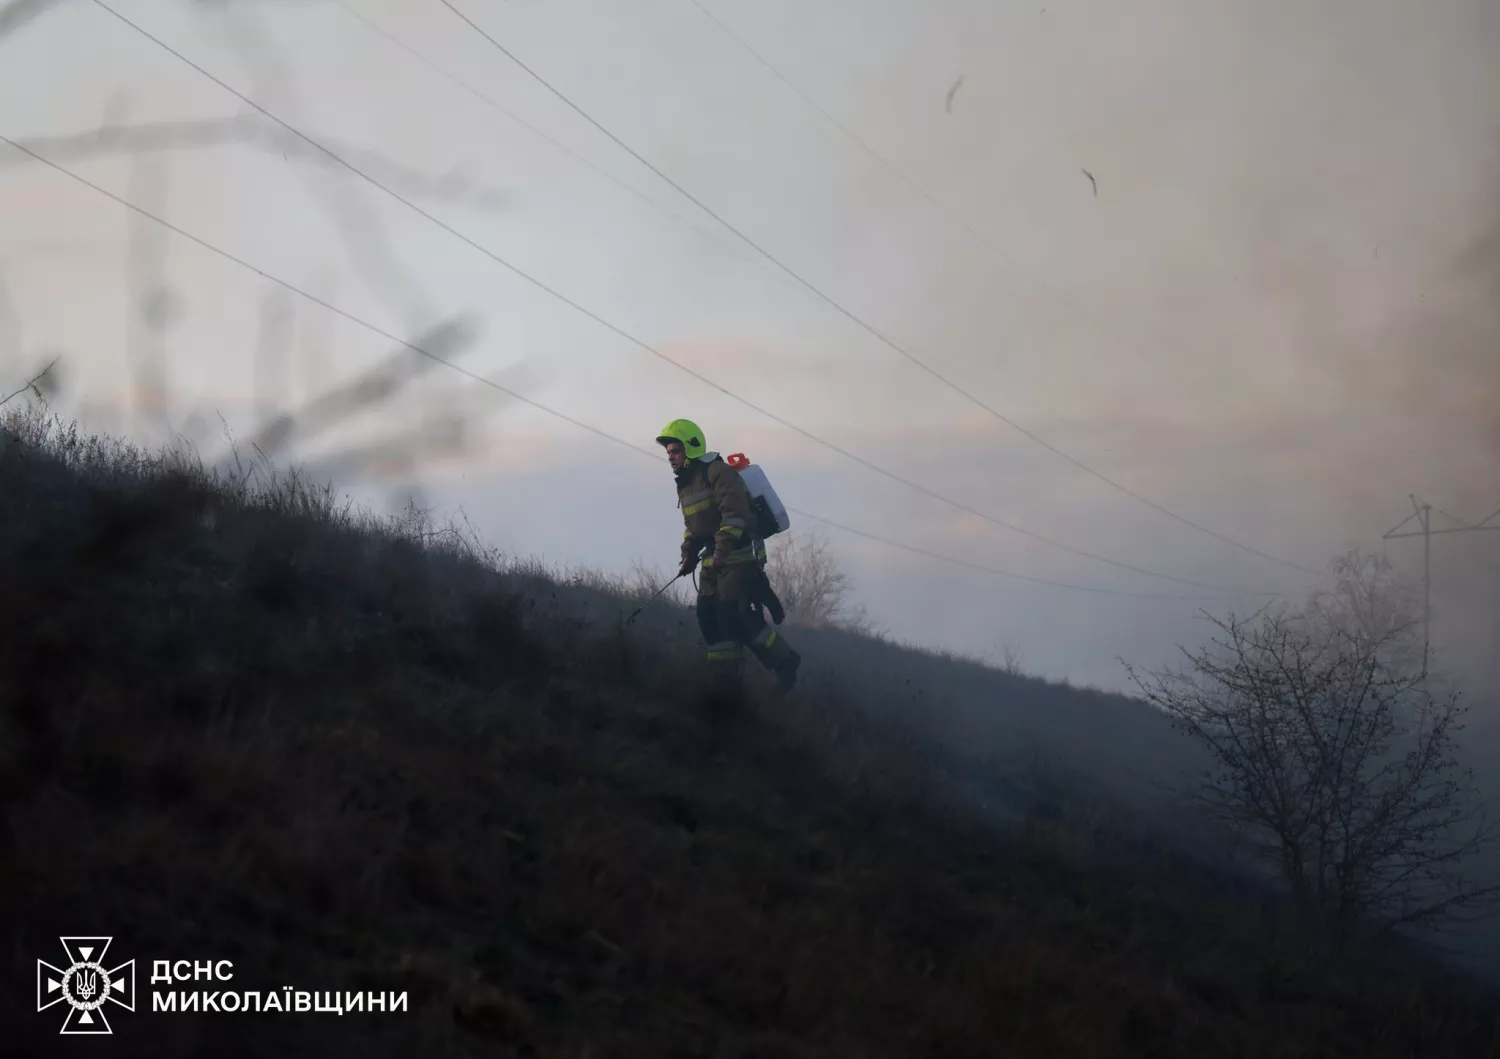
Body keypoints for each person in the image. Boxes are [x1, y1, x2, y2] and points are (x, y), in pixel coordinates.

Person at [656, 418, 801, 694]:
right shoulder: (685, 484)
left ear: (691, 448)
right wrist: (688, 555)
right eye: (669, 453)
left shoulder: (718, 471)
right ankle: (726, 682)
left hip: (739, 556)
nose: (671, 458)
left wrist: (721, 550)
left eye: (675, 451)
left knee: (732, 614)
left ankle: (785, 661)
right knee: (708, 617)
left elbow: (736, 515)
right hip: (714, 559)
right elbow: (694, 527)